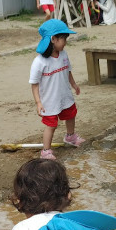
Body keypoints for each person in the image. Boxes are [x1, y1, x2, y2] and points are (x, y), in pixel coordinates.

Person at [30, 19, 85, 160]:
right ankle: (46, 151)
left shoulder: (64, 55)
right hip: (49, 99)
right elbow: (34, 84)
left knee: (71, 114)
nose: (65, 42)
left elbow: (68, 71)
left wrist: (74, 84)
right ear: (53, 39)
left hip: (64, 94)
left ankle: (70, 136)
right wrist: (38, 102)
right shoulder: (39, 62)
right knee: (51, 125)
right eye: (63, 39)